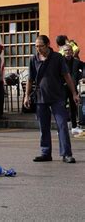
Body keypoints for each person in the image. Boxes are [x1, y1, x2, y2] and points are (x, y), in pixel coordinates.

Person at [24, 35, 77, 163]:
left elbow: (67, 76)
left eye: (40, 46)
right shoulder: (33, 59)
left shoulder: (57, 58)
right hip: (40, 97)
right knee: (43, 126)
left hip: (57, 97)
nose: (38, 49)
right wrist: (26, 96)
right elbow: (30, 79)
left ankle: (66, 154)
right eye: (36, 46)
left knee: (62, 125)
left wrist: (74, 93)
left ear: (48, 45)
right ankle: (45, 153)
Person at [62, 44, 83, 135]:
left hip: (73, 87)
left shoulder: (76, 61)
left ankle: (74, 127)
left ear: (72, 51)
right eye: (66, 50)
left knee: (73, 107)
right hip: (62, 87)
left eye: (69, 50)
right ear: (63, 51)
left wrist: (83, 77)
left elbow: (84, 67)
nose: (68, 52)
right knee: (61, 107)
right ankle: (62, 127)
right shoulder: (60, 61)